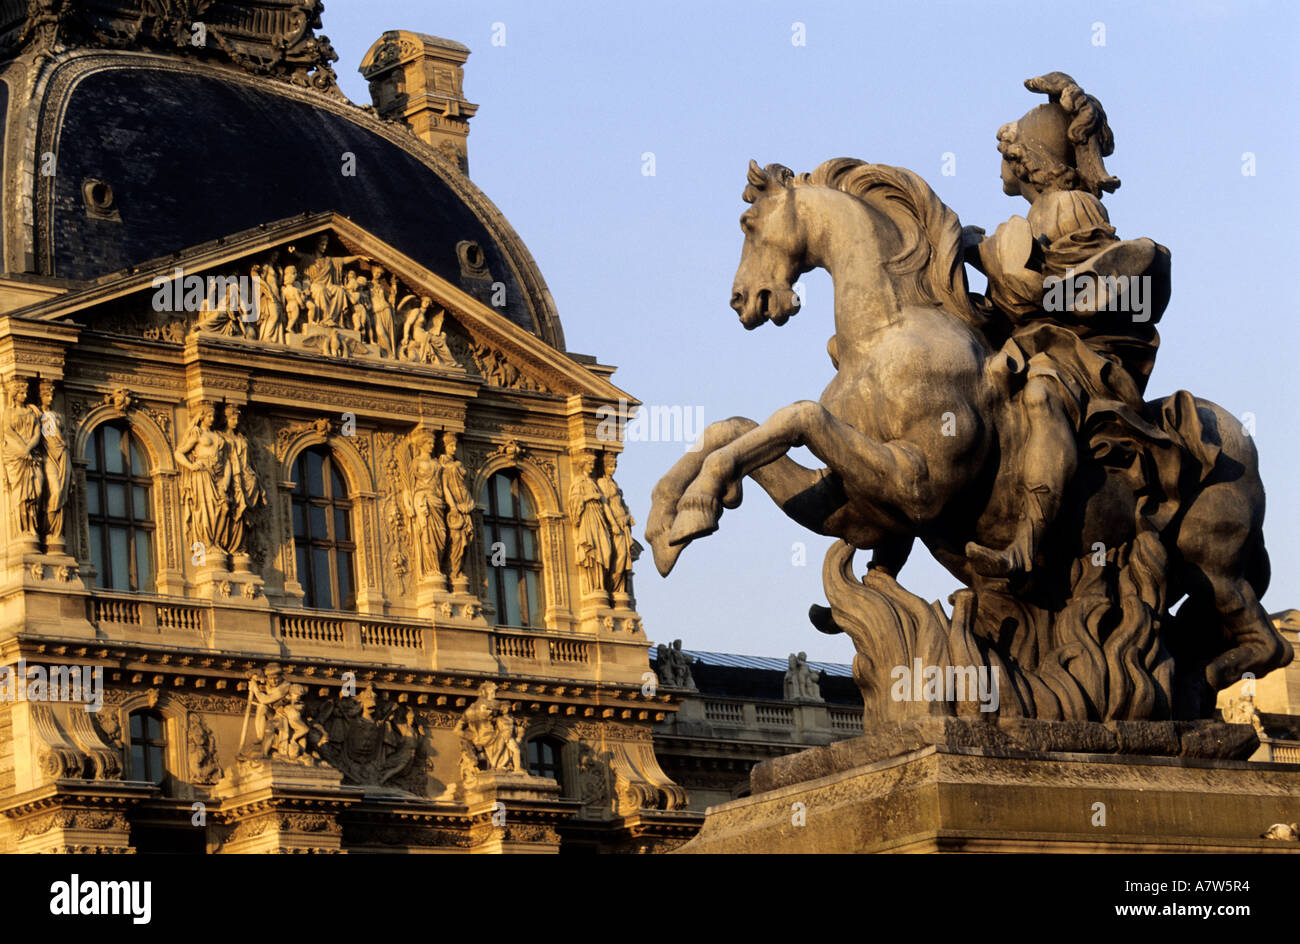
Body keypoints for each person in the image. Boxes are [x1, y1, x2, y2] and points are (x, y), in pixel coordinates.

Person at [962, 72, 1173, 579]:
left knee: (1041, 395)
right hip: (1035, 344)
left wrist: (1005, 272)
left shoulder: (1068, 206)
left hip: (1083, 356)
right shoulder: (1036, 212)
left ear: (1029, 163)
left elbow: (1078, 290)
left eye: (1008, 156)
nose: (1001, 166)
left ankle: (1027, 541)